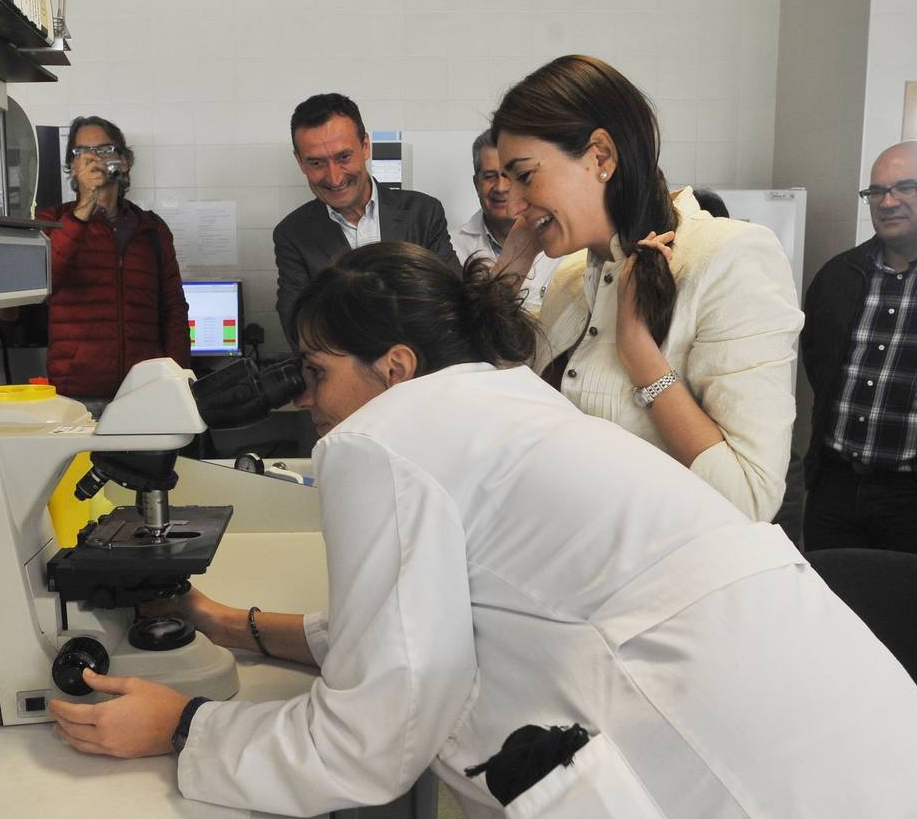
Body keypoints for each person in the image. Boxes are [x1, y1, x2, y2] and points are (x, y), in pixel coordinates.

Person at [48, 241, 917, 819]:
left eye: (315, 373)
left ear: (392, 367)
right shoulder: (517, 409)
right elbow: (451, 624)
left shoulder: (387, 436)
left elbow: (381, 726)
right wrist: (233, 625)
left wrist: (187, 729)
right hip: (886, 788)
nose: (309, 406)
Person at [491, 55, 801, 521]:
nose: (512, 202)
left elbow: (749, 499)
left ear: (601, 156)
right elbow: (489, 398)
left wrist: (641, 356)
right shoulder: (574, 275)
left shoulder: (728, 257)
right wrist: (508, 270)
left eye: (526, 176)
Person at [800, 141, 917, 559]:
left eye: (906, 188)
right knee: (827, 607)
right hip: (834, 486)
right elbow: (818, 360)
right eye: (877, 191)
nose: (888, 202)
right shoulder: (840, 274)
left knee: (908, 613)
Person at [272, 93, 458, 351]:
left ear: (366, 146)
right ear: (300, 162)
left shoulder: (423, 213)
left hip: (422, 376)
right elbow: (297, 327)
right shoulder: (292, 235)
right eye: (317, 163)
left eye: (344, 157)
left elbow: (453, 303)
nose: (335, 178)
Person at [34, 116, 190, 409]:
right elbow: (45, 279)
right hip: (76, 394)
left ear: (125, 161)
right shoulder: (51, 222)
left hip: (146, 389)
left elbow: (174, 308)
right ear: (73, 166)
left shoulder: (153, 229)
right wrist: (84, 207)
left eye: (104, 150)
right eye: (82, 153)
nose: (93, 159)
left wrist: (178, 376)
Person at [451, 129, 559, 312]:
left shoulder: (566, 244)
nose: (501, 188)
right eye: (489, 176)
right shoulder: (450, 247)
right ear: (476, 184)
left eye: (509, 176)